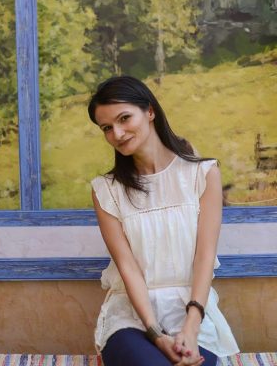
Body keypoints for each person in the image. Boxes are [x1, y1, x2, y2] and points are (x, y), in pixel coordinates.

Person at [88, 76, 239, 366]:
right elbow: (128, 268)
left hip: (192, 310)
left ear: (150, 111)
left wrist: (191, 328)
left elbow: (205, 256)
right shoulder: (106, 190)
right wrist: (156, 334)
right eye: (107, 128)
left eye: (124, 118)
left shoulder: (203, 174)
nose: (117, 133)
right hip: (133, 316)